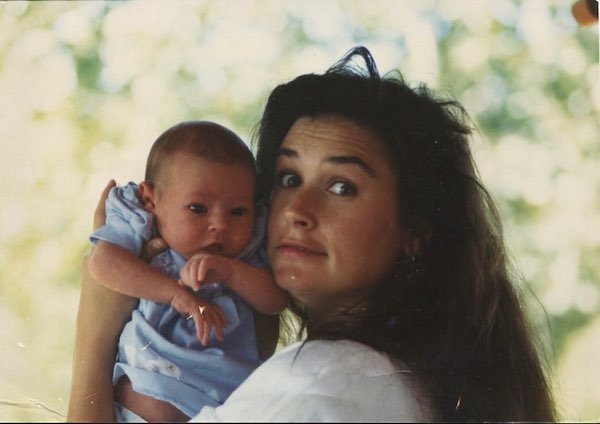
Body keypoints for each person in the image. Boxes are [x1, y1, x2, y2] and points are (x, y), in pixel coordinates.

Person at [68, 46, 557, 422]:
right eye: (287, 179)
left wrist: (95, 332)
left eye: (342, 186)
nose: (297, 210)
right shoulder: (387, 381)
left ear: (414, 231)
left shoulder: (319, 387)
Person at [85, 121, 288, 421]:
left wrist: (232, 272)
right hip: (147, 394)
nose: (220, 224)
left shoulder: (247, 250)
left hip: (227, 401)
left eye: (237, 211)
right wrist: (176, 295)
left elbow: (276, 301)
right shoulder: (143, 224)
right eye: (197, 208)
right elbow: (102, 264)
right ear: (152, 200)